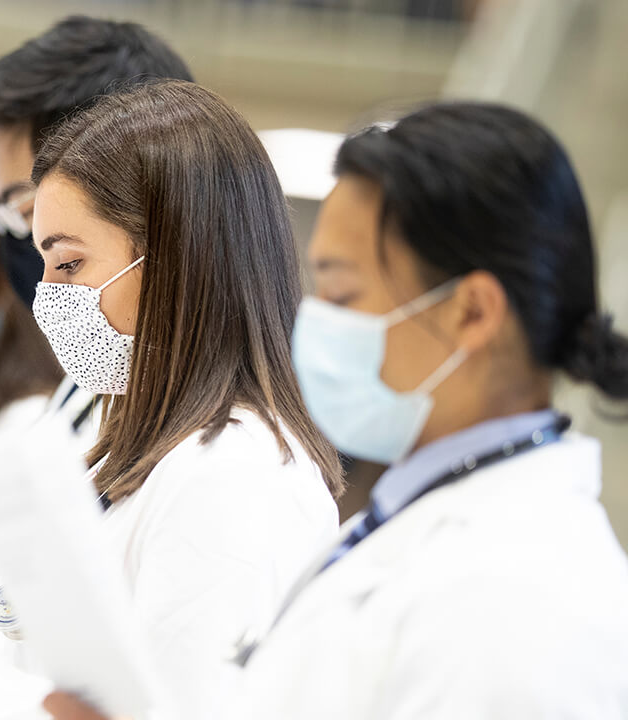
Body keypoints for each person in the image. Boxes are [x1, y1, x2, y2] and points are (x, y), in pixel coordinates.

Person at [53, 103, 628, 720]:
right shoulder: (418, 521)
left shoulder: (516, 589)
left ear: (472, 313)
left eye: (344, 293)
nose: (316, 321)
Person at [0, 81, 342, 720]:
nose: (47, 295)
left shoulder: (238, 475)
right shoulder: (120, 444)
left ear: (173, 262)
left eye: (70, 264)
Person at [0, 16, 195, 446]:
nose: (25, 240)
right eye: (8, 215)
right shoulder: (85, 392)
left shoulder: (229, 457)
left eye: (28, 207)